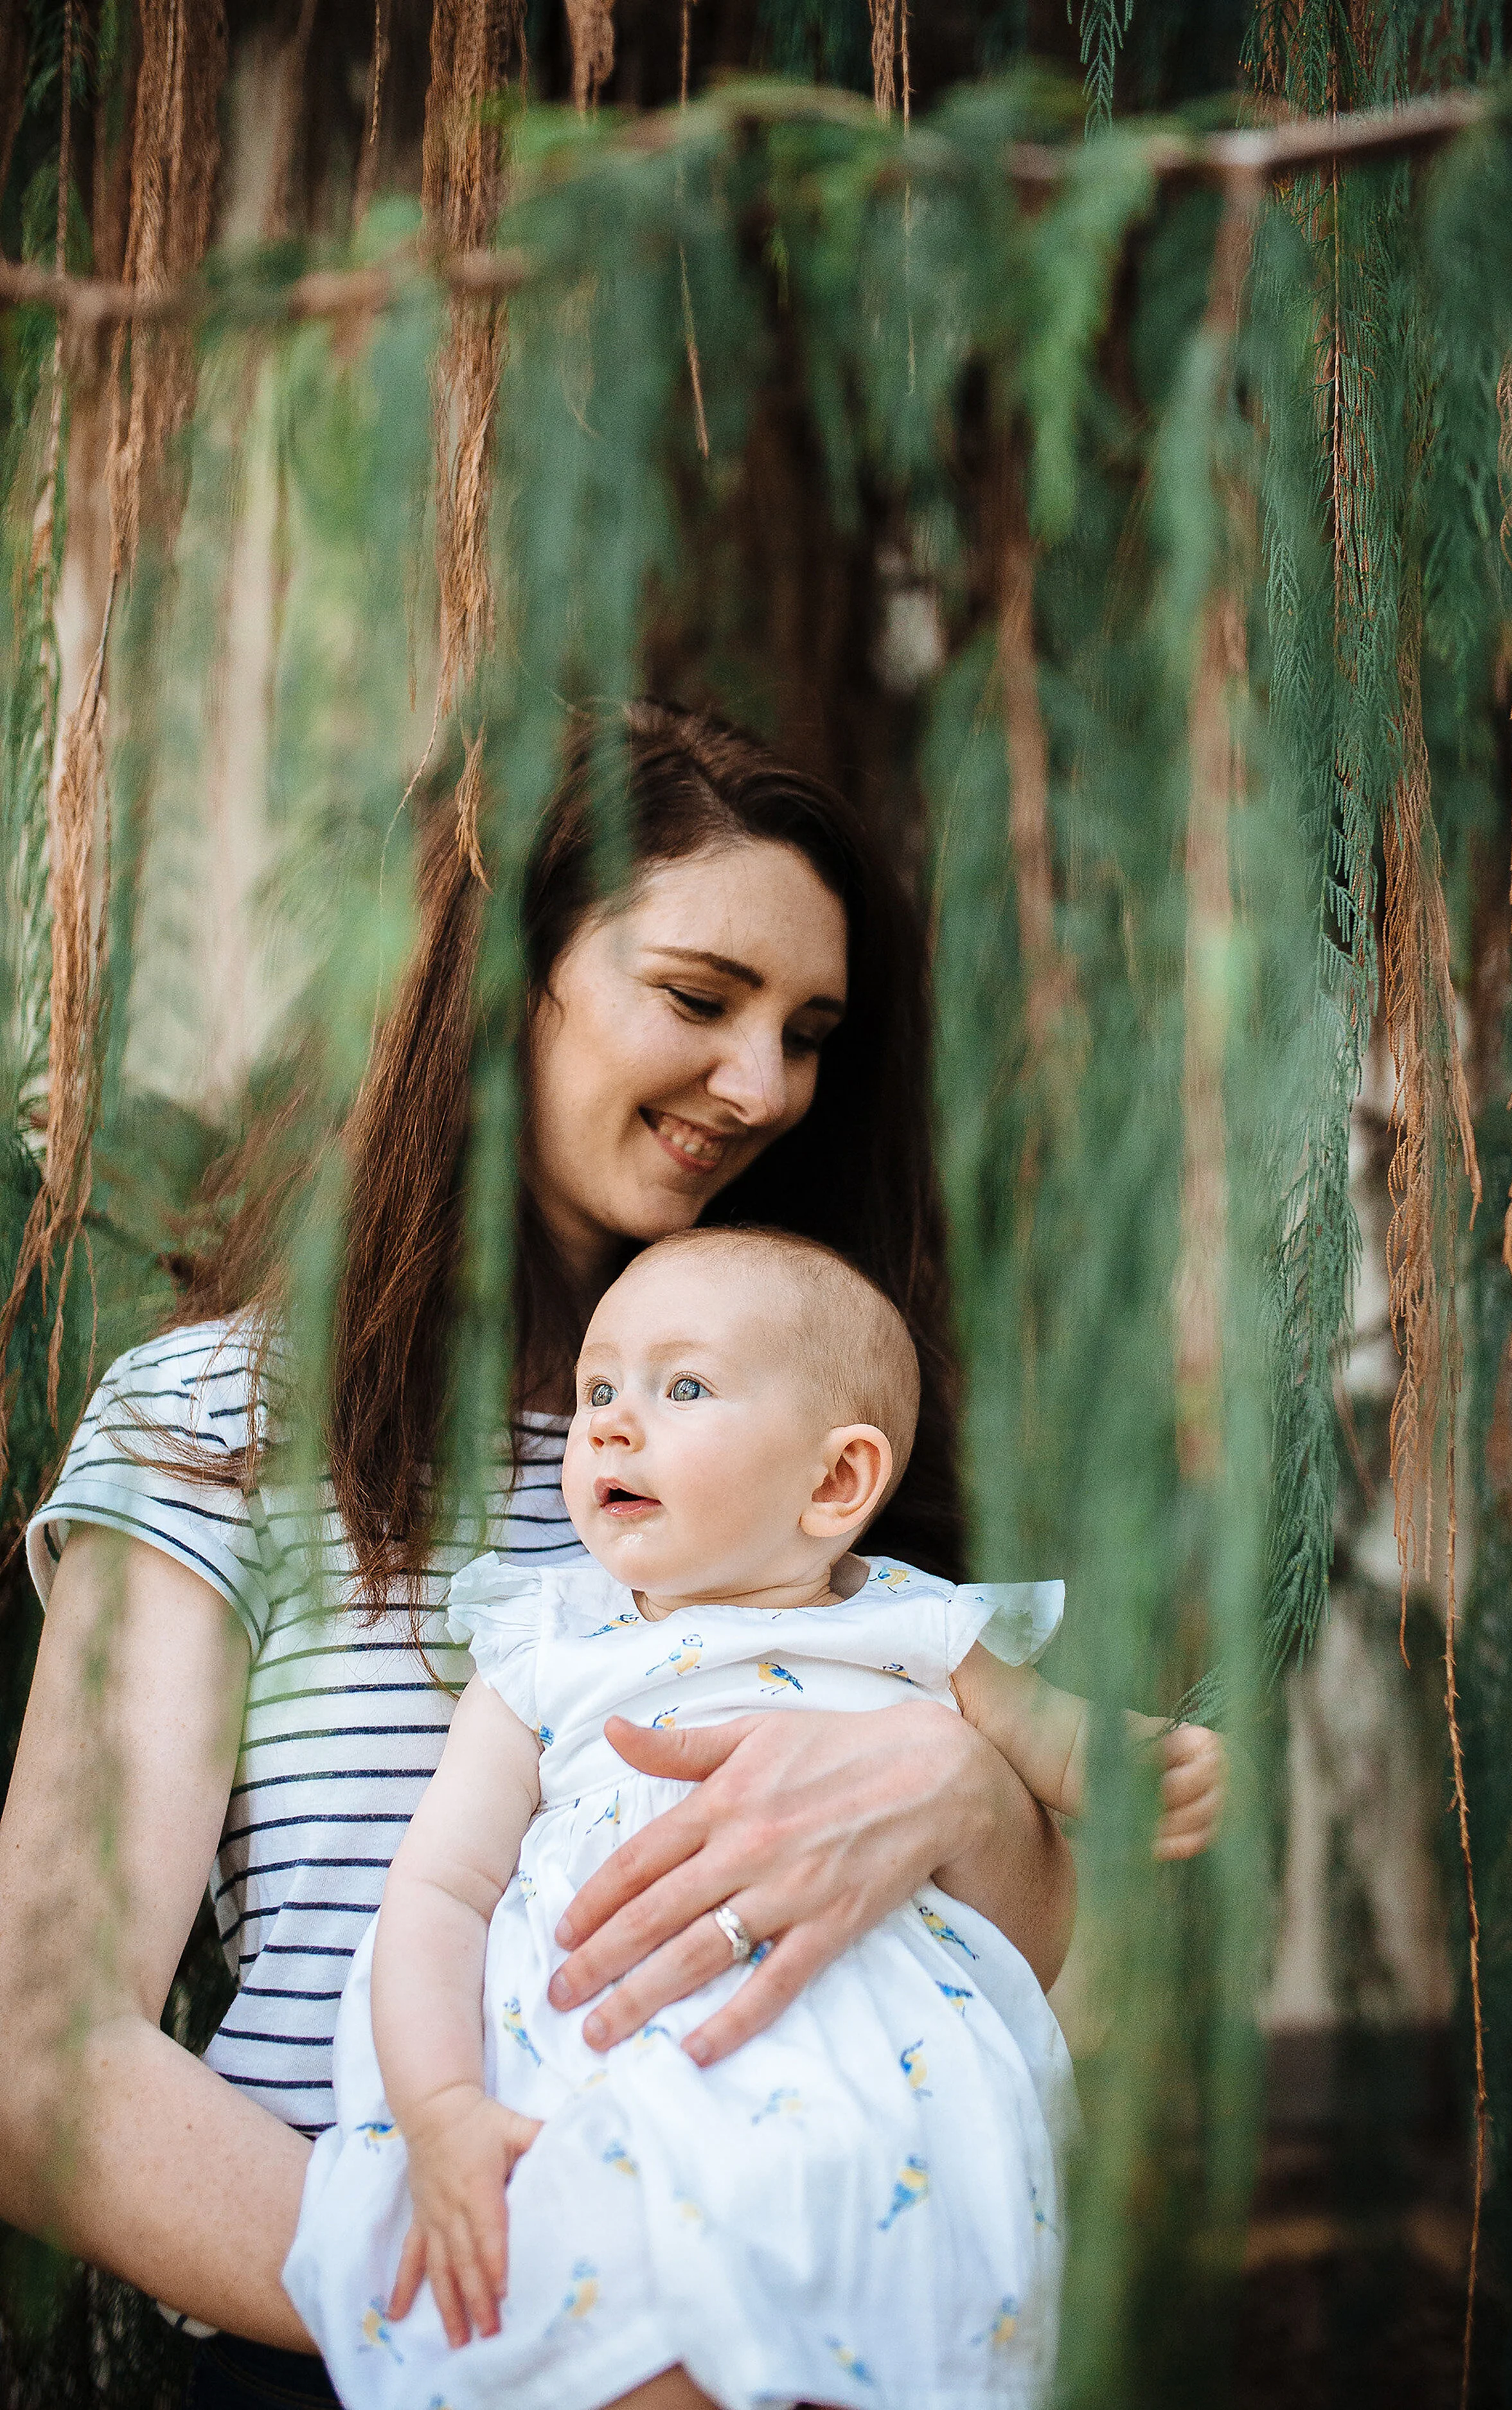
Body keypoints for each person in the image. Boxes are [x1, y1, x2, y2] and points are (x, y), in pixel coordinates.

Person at [0, 706, 1171, 2410]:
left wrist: (963, 1795)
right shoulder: (221, 1419)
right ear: (493, 981)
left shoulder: (830, 1446)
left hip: (849, 2339)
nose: (765, 1084)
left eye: (809, 1029)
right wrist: (552, 2316)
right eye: (698, 998)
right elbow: (42, 2055)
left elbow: (1057, 1975)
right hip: (383, 2332)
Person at [285, 1229, 1210, 2410]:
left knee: (883, 2324)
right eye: (597, 1388)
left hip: (879, 2083)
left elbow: (1065, 1746)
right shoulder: (546, 1643)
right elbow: (438, 1888)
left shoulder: (914, 1626)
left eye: (682, 1388)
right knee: (624, 2327)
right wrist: (440, 2107)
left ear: (837, 1481)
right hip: (607, 2053)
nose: (611, 1423)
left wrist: (1157, 1769)